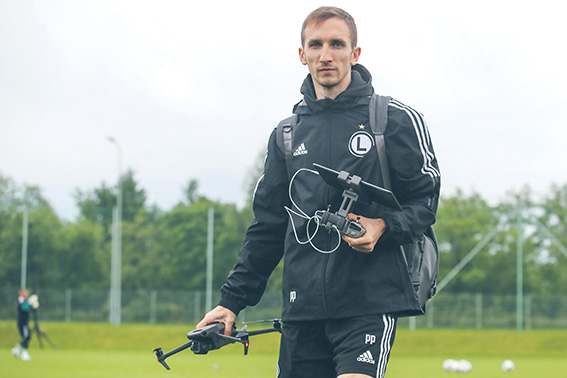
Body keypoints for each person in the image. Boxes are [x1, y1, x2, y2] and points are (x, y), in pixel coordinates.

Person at [197, 6, 440, 378]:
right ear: (302, 54)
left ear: (355, 53)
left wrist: (382, 226)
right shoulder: (287, 134)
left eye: (337, 44)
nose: (326, 55)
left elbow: (424, 202)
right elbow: (268, 229)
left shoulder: (393, 119)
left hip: (368, 304)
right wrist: (231, 303)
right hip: (302, 310)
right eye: (316, 45)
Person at [12, 289, 33, 361]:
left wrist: (32, 304)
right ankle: (20, 351)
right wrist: (29, 303)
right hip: (22, 323)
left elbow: (30, 309)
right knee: (27, 337)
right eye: (25, 293)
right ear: (21, 293)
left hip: (25, 322)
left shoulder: (24, 301)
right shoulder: (20, 300)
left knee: (27, 337)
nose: (26, 294)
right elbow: (22, 307)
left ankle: (20, 351)